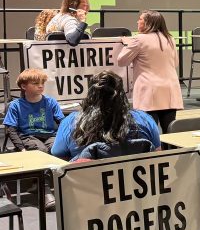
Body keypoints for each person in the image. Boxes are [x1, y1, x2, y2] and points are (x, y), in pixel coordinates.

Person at [51, 71, 161, 162]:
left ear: (90, 94)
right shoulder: (145, 120)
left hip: (88, 186)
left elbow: (59, 159)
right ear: (122, 94)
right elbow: (156, 155)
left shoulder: (71, 122)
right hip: (135, 187)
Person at [3, 69, 64, 209]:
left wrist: (64, 140)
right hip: (28, 136)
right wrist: (21, 147)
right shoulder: (16, 105)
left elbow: (62, 122)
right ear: (24, 86)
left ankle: (39, 184)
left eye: (42, 82)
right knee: (40, 151)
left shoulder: (51, 102)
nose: (41, 86)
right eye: (35, 83)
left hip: (50, 135)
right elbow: (11, 130)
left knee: (56, 148)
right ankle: (45, 188)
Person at [114, 11, 183, 132]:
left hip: (149, 92)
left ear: (147, 23)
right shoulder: (170, 39)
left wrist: (128, 44)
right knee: (170, 134)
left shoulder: (138, 39)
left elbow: (121, 61)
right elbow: (175, 63)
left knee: (149, 133)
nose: (137, 21)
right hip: (170, 90)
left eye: (140, 19)